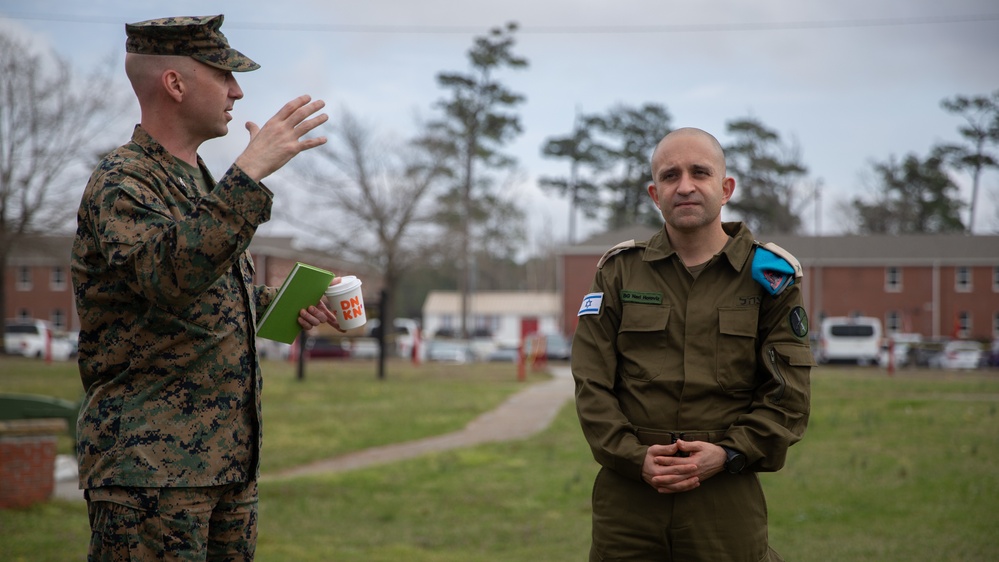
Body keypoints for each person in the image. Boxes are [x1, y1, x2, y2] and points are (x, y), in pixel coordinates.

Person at [71, 14, 340, 561]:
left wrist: (283, 305)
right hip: (150, 476)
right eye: (224, 75)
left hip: (226, 466)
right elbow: (166, 277)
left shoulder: (195, 180)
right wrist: (250, 174)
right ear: (175, 84)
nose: (238, 90)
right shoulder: (122, 181)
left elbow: (205, 293)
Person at [570, 127, 813, 561]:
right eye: (670, 176)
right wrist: (633, 457)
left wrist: (728, 453)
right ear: (653, 193)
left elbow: (788, 395)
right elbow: (591, 384)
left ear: (725, 188)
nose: (684, 186)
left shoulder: (770, 279)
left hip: (723, 497)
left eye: (699, 172)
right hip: (629, 501)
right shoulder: (619, 273)